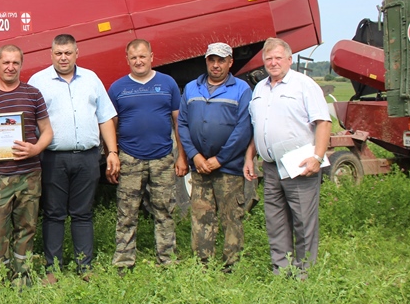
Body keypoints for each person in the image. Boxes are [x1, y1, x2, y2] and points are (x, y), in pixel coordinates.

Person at [27, 34, 119, 282]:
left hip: (87, 158)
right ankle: (53, 269)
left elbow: (105, 117)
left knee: (83, 213)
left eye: (68, 52)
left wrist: (112, 152)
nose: (63, 57)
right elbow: (28, 122)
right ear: (51, 54)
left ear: (77, 53)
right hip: (53, 158)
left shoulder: (91, 79)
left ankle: (84, 267)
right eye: (58, 53)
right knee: (54, 214)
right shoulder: (38, 82)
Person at [243, 37, 332, 275]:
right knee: (275, 220)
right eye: (268, 59)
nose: (273, 63)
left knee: (303, 221)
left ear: (289, 60)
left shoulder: (305, 85)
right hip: (270, 166)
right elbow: (257, 127)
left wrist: (317, 157)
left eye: (278, 58)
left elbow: (323, 122)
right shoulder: (260, 88)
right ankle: (281, 269)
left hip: (299, 164)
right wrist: (250, 157)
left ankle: (305, 271)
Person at [0, 44, 52, 286]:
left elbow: (47, 131)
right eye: (6, 62)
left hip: (29, 173)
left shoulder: (33, 94)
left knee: (26, 228)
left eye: (15, 62)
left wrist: (36, 148)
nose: (10, 67)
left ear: (21, 65)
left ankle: (22, 277)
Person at [108, 39, 188, 271]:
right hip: (129, 159)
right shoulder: (118, 88)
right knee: (126, 212)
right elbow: (110, 125)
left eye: (142, 56)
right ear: (127, 60)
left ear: (152, 56)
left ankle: (167, 259)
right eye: (133, 58)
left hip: (162, 158)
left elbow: (178, 121)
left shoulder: (168, 84)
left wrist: (182, 156)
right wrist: (111, 156)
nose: (138, 61)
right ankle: (123, 261)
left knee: (164, 210)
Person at [178, 43, 253, 270]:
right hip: (199, 168)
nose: (216, 65)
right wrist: (194, 156)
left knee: (231, 217)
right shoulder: (191, 88)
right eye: (212, 60)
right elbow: (182, 123)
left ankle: (231, 265)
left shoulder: (241, 89)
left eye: (221, 60)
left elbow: (243, 129)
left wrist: (220, 159)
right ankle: (203, 265)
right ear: (206, 61)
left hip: (228, 169)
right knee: (201, 217)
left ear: (230, 62)